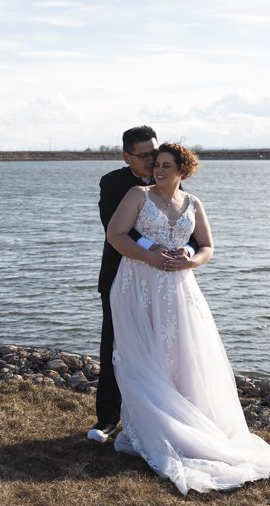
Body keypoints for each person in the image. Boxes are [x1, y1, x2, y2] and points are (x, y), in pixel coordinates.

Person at [105, 143, 270, 494]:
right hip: (137, 284)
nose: (159, 170)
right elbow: (115, 235)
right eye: (156, 165)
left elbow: (206, 247)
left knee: (181, 353)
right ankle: (151, 425)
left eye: (166, 166)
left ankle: (186, 422)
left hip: (178, 286)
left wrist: (191, 261)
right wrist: (149, 256)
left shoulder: (193, 203)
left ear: (182, 170)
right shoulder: (138, 195)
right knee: (142, 355)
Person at [87, 125, 161, 443]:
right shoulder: (112, 183)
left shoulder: (168, 178)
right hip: (119, 275)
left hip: (161, 279)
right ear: (126, 156)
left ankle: (156, 416)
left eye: (154, 153)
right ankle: (107, 418)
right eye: (144, 155)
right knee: (114, 346)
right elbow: (114, 229)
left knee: (161, 345)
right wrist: (152, 247)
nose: (152, 161)